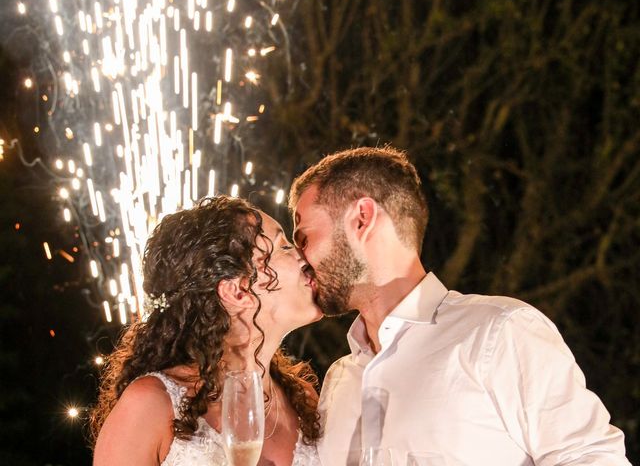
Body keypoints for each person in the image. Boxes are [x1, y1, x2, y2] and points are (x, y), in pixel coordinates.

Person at [288, 146, 631, 466]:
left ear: (362, 218)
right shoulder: (339, 380)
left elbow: (594, 458)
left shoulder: (499, 332)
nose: (300, 260)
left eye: (303, 238)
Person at [91, 195, 322, 466]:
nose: (304, 256)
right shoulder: (151, 405)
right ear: (237, 291)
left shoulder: (303, 400)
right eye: (283, 247)